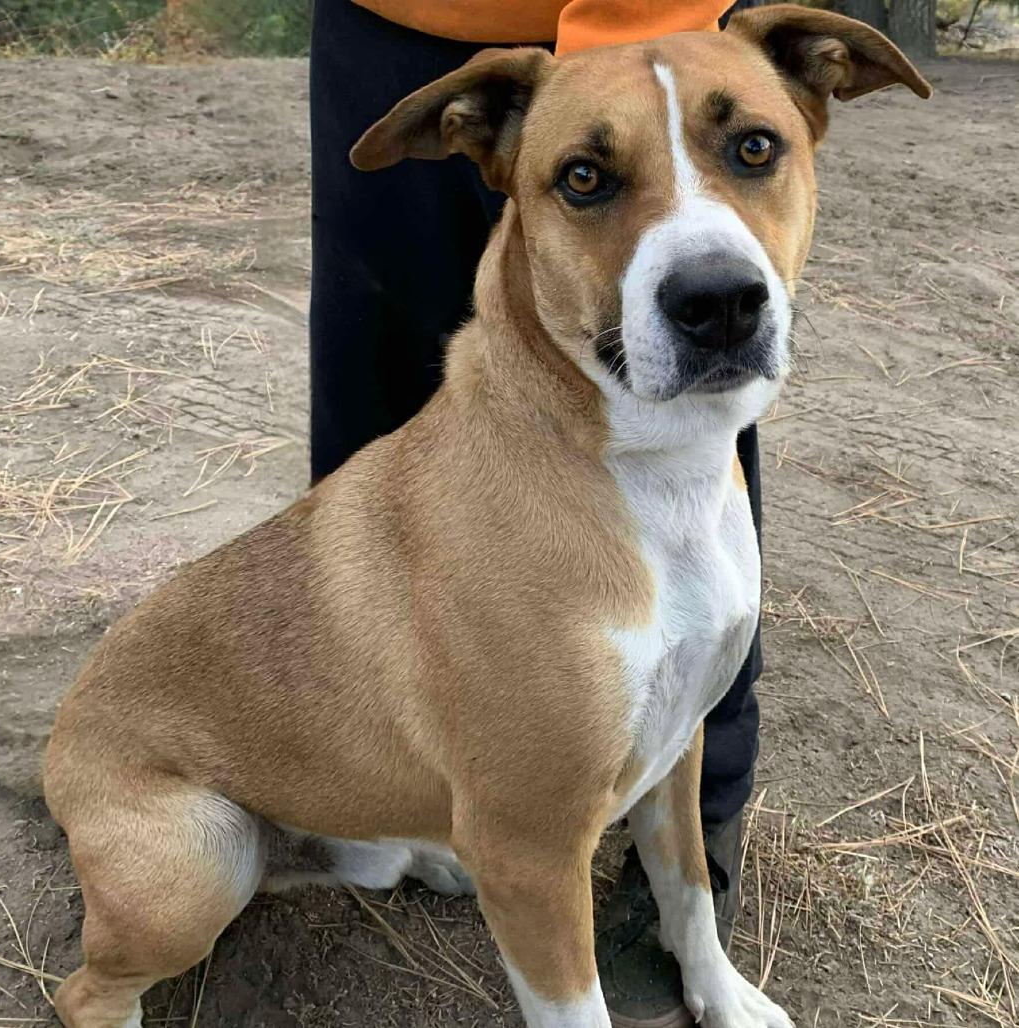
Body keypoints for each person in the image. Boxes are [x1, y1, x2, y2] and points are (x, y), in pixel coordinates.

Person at [309, 3, 762, 1024]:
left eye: (749, 151)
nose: (707, 263)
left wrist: (706, 969)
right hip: (409, 13)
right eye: (591, 183)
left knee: (677, 697)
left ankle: (689, 928)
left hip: (667, 7)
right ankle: (437, 787)